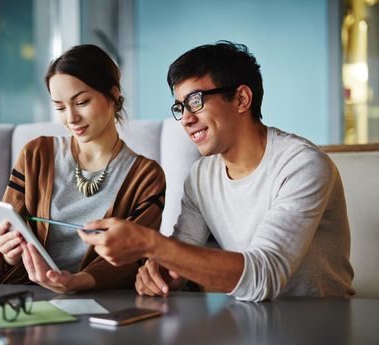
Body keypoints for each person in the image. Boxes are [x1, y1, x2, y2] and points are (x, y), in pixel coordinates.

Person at [79, 41, 355, 302]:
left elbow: (264, 276)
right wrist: (161, 272)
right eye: (180, 107)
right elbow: (180, 252)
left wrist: (151, 245)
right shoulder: (201, 176)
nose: (186, 119)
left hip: (319, 324)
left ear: (241, 99)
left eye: (196, 101)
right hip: (248, 321)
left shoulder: (301, 165)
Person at [0, 44, 166, 293]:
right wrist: (7, 253)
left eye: (81, 102)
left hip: (103, 302)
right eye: (59, 107)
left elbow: (135, 259)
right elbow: (0, 240)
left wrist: (78, 282)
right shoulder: (36, 155)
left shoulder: (146, 177)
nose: (71, 117)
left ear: (113, 94)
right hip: (28, 299)